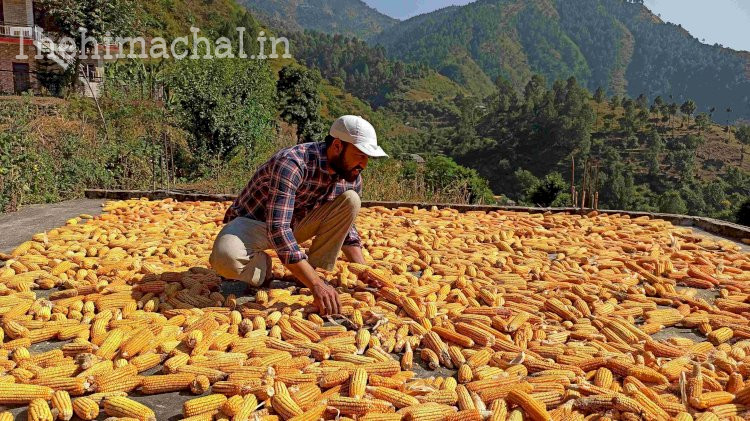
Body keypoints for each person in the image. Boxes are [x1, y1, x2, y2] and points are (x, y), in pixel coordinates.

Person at [210, 115, 388, 315]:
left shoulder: (352, 175)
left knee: (351, 200)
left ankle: (310, 270)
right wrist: (315, 285)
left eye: (367, 158)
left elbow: (345, 226)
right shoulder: (293, 163)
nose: (363, 164)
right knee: (226, 258)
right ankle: (266, 270)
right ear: (337, 146)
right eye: (360, 155)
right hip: (255, 223)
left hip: (296, 223)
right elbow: (278, 228)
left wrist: (364, 271)